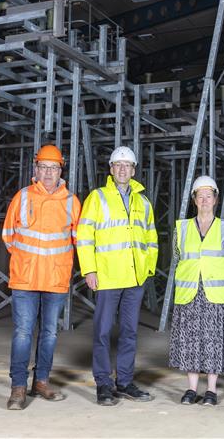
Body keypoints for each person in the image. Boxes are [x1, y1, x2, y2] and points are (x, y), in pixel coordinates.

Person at [76, 146, 159, 406]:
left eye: (127, 165)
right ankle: (103, 383)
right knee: (102, 332)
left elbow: (152, 238)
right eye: (118, 165)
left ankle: (124, 381)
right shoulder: (97, 197)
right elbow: (84, 236)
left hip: (135, 279)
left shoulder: (142, 201)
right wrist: (89, 269)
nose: (123, 169)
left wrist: (148, 269)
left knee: (129, 332)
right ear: (111, 169)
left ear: (134, 170)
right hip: (108, 278)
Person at [1, 145, 81, 410]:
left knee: (49, 333)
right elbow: (9, 237)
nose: (48, 172)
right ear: (35, 169)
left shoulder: (71, 201)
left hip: (55, 280)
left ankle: (42, 381)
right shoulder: (21, 197)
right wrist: (29, 261)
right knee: (23, 333)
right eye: (44, 167)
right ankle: (18, 387)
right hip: (25, 279)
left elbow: (78, 240)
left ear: (61, 171)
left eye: (53, 167)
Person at [168, 176, 224, 406]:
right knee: (191, 341)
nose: (205, 200)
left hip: (216, 295)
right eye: (200, 196)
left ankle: (210, 390)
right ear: (194, 201)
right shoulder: (182, 228)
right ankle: (191, 389)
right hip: (190, 293)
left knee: (213, 341)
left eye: (209, 196)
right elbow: (177, 258)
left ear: (216, 200)